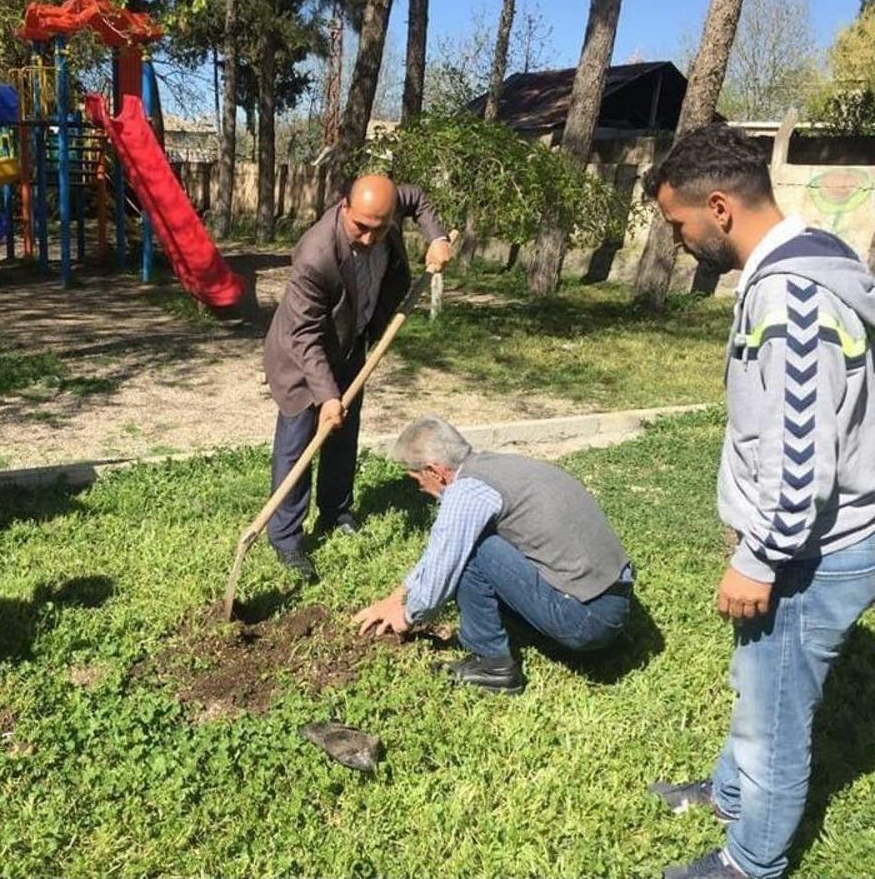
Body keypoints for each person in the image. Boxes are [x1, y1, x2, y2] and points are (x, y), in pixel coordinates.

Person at [644, 125, 875, 879]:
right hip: (800, 541)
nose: (677, 239)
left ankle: (751, 862)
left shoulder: (789, 295)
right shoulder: (816, 255)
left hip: (812, 549)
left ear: (717, 207)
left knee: (777, 714)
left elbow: (800, 456)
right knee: (757, 677)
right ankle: (733, 794)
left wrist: (761, 556)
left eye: (677, 223)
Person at [352, 416, 634, 693]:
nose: (420, 489)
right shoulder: (497, 467)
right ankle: (564, 633)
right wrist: (397, 595)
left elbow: (447, 561)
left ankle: (493, 666)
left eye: (417, 479)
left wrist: (408, 615)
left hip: (587, 620)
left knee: (475, 550)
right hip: (613, 602)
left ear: (435, 471)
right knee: (476, 542)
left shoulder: (468, 492)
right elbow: (440, 551)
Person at [263, 174, 451, 581]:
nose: (368, 237)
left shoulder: (387, 204)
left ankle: (336, 511)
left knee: (343, 434)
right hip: (302, 358)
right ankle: (286, 537)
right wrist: (327, 397)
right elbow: (305, 337)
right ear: (344, 207)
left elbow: (416, 195)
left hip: (351, 344)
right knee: (299, 443)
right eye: (360, 226)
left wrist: (436, 237)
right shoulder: (316, 255)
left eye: (379, 228)